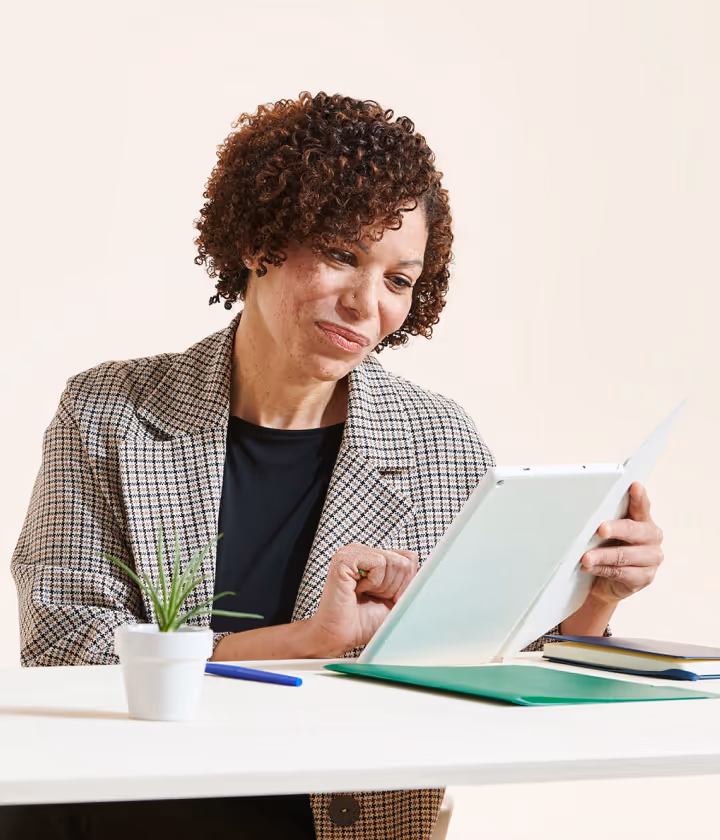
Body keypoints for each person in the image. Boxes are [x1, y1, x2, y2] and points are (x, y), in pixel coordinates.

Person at [8, 90, 664, 840]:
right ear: (260, 241)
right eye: (342, 254)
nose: (365, 304)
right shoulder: (110, 411)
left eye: (397, 280)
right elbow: (64, 645)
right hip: (118, 818)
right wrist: (303, 642)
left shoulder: (437, 441)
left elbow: (500, 661)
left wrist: (596, 596)